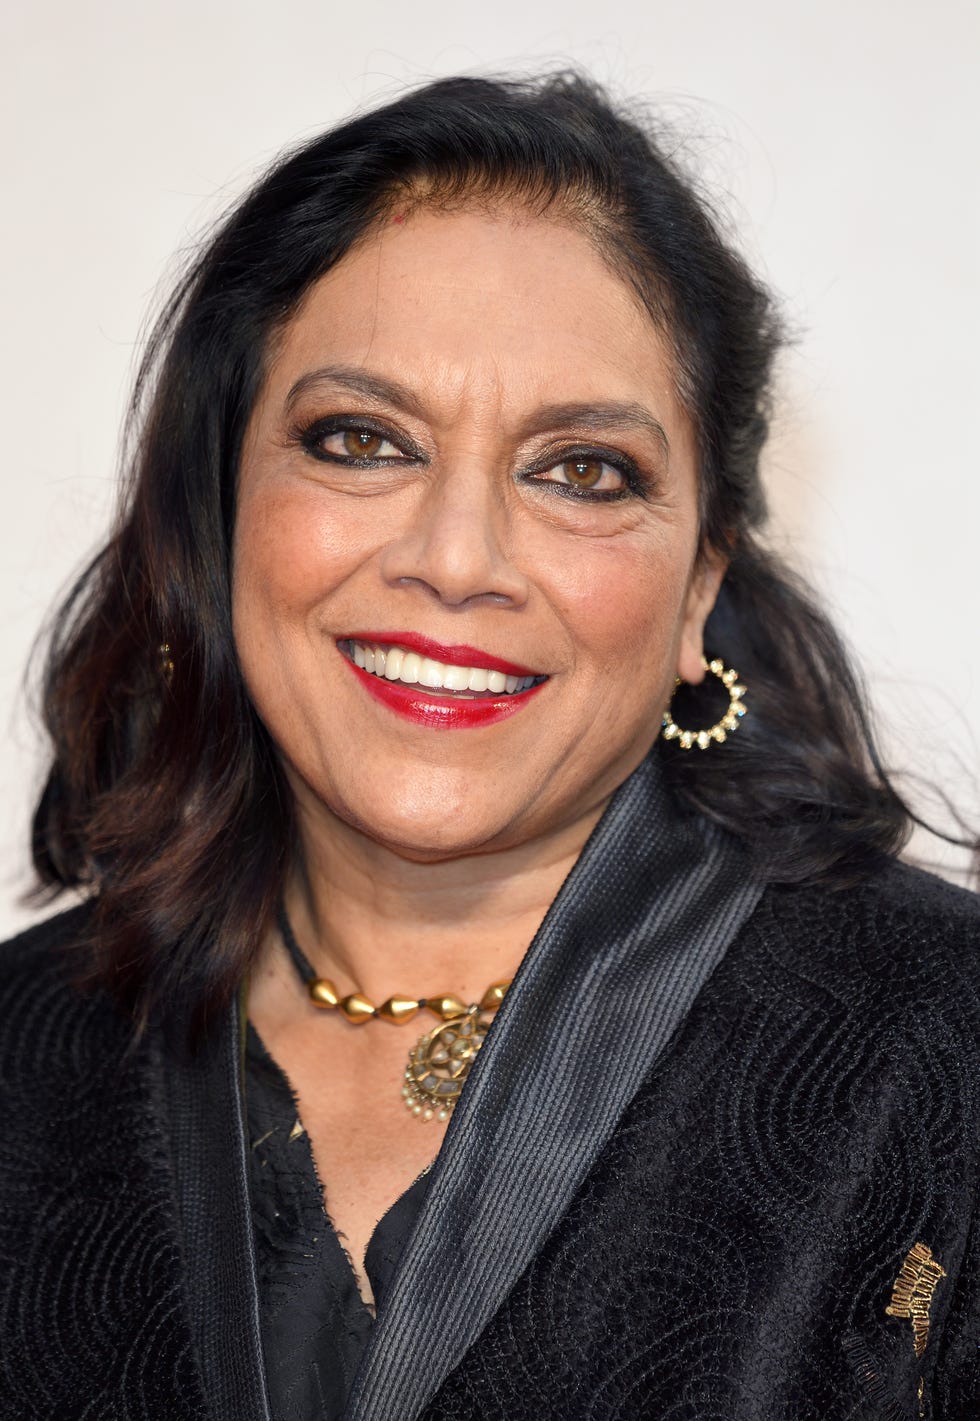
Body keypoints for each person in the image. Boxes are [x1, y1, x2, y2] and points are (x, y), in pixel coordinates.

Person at [0, 72, 977, 1421]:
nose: (457, 560)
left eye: (581, 469)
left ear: (700, 587)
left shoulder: (942, 1047)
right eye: (361, 440)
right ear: (219, 517)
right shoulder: (18, 1056)